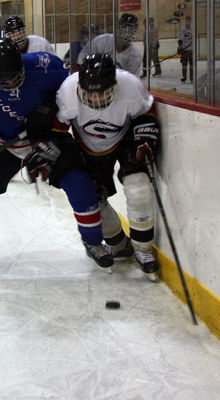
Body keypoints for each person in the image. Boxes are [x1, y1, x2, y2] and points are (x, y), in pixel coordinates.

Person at [0, 38, 113, 271]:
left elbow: (70, 97)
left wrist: (50, 111)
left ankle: (93, 241)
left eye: (16, 76)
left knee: (79, 181)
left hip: (49, 136)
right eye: (4, 81)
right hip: (7, 141)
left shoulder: (47, 66)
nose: (12, 83)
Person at [55, 53, 160, 278]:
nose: (97, 99)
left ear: (114, 85)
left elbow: (146, 113)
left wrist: (146, 138)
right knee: (93, 200)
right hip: (86, 148)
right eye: (91, 93)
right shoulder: (67, 91)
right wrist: (55, 155)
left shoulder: (130, 86)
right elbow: (57, 130)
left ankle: (143, 249)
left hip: (124, 140)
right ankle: (120, 244)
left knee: (139, 185)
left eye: (103, 92)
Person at [77, 13, 142, 77]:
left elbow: (130, 81)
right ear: (118, 29)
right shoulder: (101, 41)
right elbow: (82, 60)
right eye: (123, 29)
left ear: (134, 32)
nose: (126, 34)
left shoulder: (135, 56)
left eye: (129, 31)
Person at [177, 16, 193, 82]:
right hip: (184, 50)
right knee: (184, 64)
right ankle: (184, 77)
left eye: (189, 21)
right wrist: (180, 47)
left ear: (190, 21)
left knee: (191, 65)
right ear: (185, 21)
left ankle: (192, 77)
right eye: (187, 21)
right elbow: (180, 39)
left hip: (191, 50)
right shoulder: (182, 29)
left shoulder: (193, 28)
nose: (188, 22)